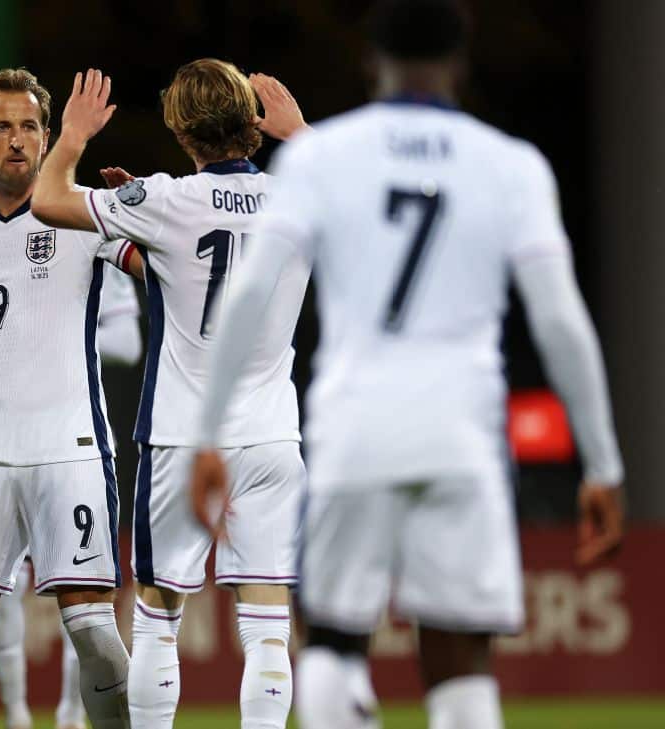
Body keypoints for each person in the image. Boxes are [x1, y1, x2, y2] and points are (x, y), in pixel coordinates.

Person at [188, 2, 625, 728]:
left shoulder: (322, 159)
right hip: (462, 435)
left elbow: (248, 296)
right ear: (460, 62)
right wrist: (602, 464)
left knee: (332, 642)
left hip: (356, 428)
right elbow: (559, 321)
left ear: (371, 62)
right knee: (461, 656)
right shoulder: (510, 165)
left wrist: (208, 434)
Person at [32, 64, 309, 729]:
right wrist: (300, 133)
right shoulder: (303, 195)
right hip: (272, 436)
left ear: (181, 132)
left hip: (183, 436)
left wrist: (72, 136)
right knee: (267, 627)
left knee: (158, 616)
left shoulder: (162, 199)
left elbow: (47, 200)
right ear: (252, 124)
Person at [0, 67, 135, 729]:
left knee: (91, 626)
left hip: (70, 446)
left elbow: (163, 267)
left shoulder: (87, 210)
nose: (17, 138)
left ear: (47, 136)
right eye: (2, 126)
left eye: (30, 126)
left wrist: (147, 218)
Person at [0, 274, 141, 729]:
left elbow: (128, 342)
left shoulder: (94, 248)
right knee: (2, 587)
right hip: (4, 438)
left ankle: (72, 715)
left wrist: (51, 335)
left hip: (76, 438)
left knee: (84, 593)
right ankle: (16, 714)